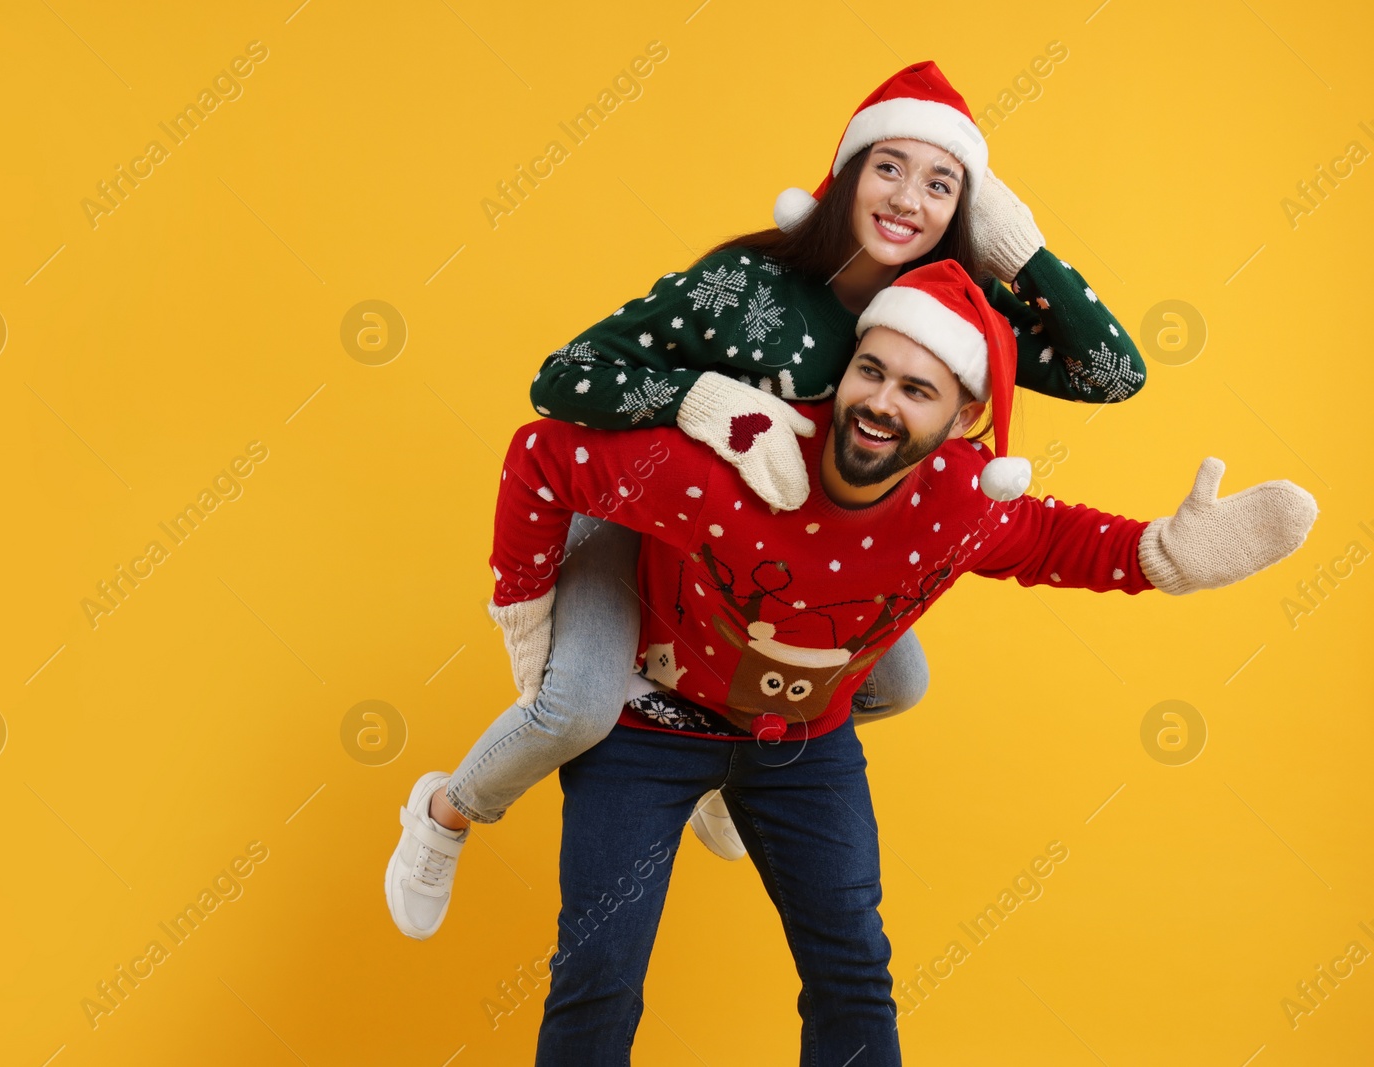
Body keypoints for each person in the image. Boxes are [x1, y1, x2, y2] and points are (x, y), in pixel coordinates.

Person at [448, 261, 1315, 1064]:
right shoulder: (723, 465)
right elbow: (542, 457)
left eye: (916, 389)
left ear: (959, 419)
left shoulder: (961, 500)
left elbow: (1055, 538)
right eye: (871, 371)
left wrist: (1166, 554)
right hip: (648, 727)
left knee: (854, 970)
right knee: (599, 978)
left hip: (799, 746)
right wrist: (525, 607)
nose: (881, 402)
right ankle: (450, 810)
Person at [386, 60, 1149, 940]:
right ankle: (446, 811)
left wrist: (1026, 252)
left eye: (942, 184)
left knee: (900, 682)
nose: (909, 198)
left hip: (776, 572)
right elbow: (562, 380)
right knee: (580, 708)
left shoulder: (947, 312)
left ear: (965, 211)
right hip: (644, 521)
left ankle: (722, 758)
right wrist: (695, 401)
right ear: (847, 173)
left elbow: (1112, 373)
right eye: (889, 167)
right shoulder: (747, 285)